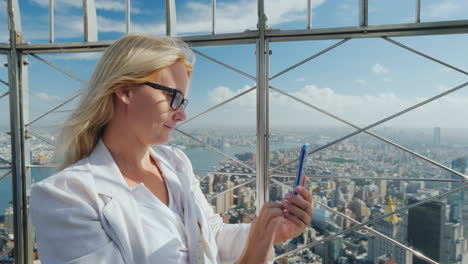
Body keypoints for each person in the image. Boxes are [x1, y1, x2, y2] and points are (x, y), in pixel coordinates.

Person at [30, 35, 314, 264]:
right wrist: (254, 252)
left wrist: (269, 231)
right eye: (172, 97)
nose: (181, 115)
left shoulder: (175, 162)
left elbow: (208, 239)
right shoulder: (65, 196)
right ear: (125, 90)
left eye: (184, 101)